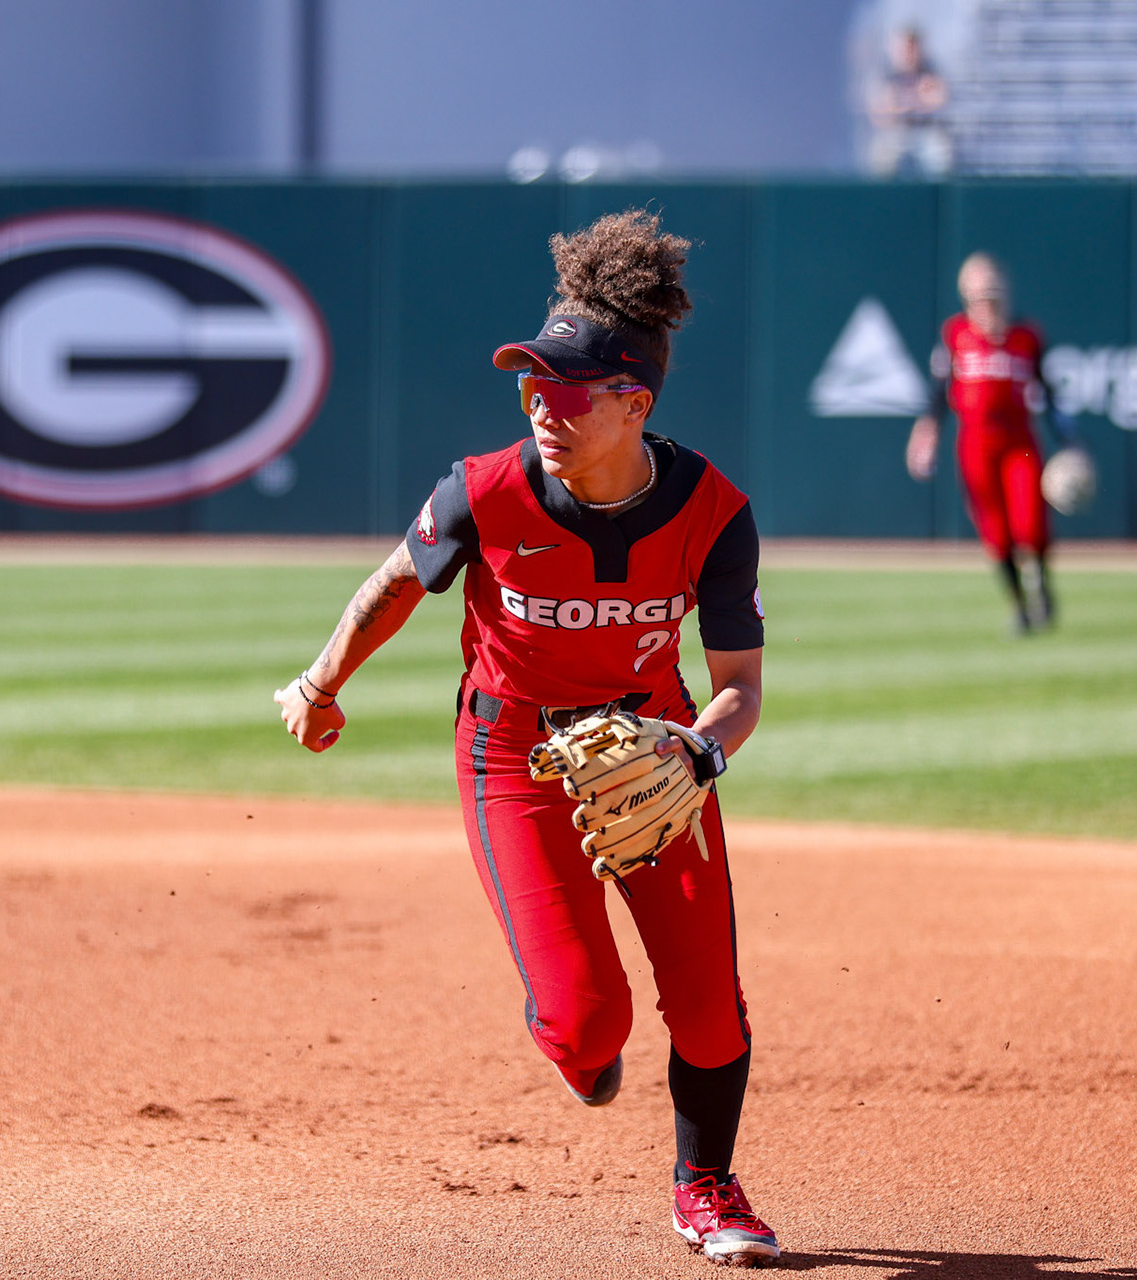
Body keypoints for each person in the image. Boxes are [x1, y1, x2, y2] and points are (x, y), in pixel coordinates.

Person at [273, 210, 778, 1267]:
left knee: (708, 1003)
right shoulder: (485, 490)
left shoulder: (714, 513)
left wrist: (693, 750)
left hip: (653, 755)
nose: (541, 407)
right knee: (589, 1026)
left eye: (566, 389)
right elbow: (393, 585)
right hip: (512, 757)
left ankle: (707, 1185)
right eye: (529, 387)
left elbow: (737, 691)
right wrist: (322, 684)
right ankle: (582, 1042)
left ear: (633, 401)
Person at [906, 251, 1074, 632]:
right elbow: (938, 391)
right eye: (979, 296)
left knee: (1030, 524)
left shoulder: (1025, 336)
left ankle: (1043, 590)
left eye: (992, 295)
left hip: (1020, 441)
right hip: (976, 444)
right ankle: (1021, 605)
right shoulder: (955, 335)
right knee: (997, 534)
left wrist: (1069, 437)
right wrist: (926, 432)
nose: (987, 305)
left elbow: (1049, 394)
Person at [867, 26, 953, 179]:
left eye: (912, 47)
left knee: (939, 152)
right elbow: (879, 114)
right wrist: (902, 106)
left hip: (925, 131)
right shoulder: (886, 75)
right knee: (881, 156)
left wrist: (908, 104)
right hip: (895, 133)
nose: (908, 52)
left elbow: (939, 101)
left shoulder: (930, 71)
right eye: (904, 47)